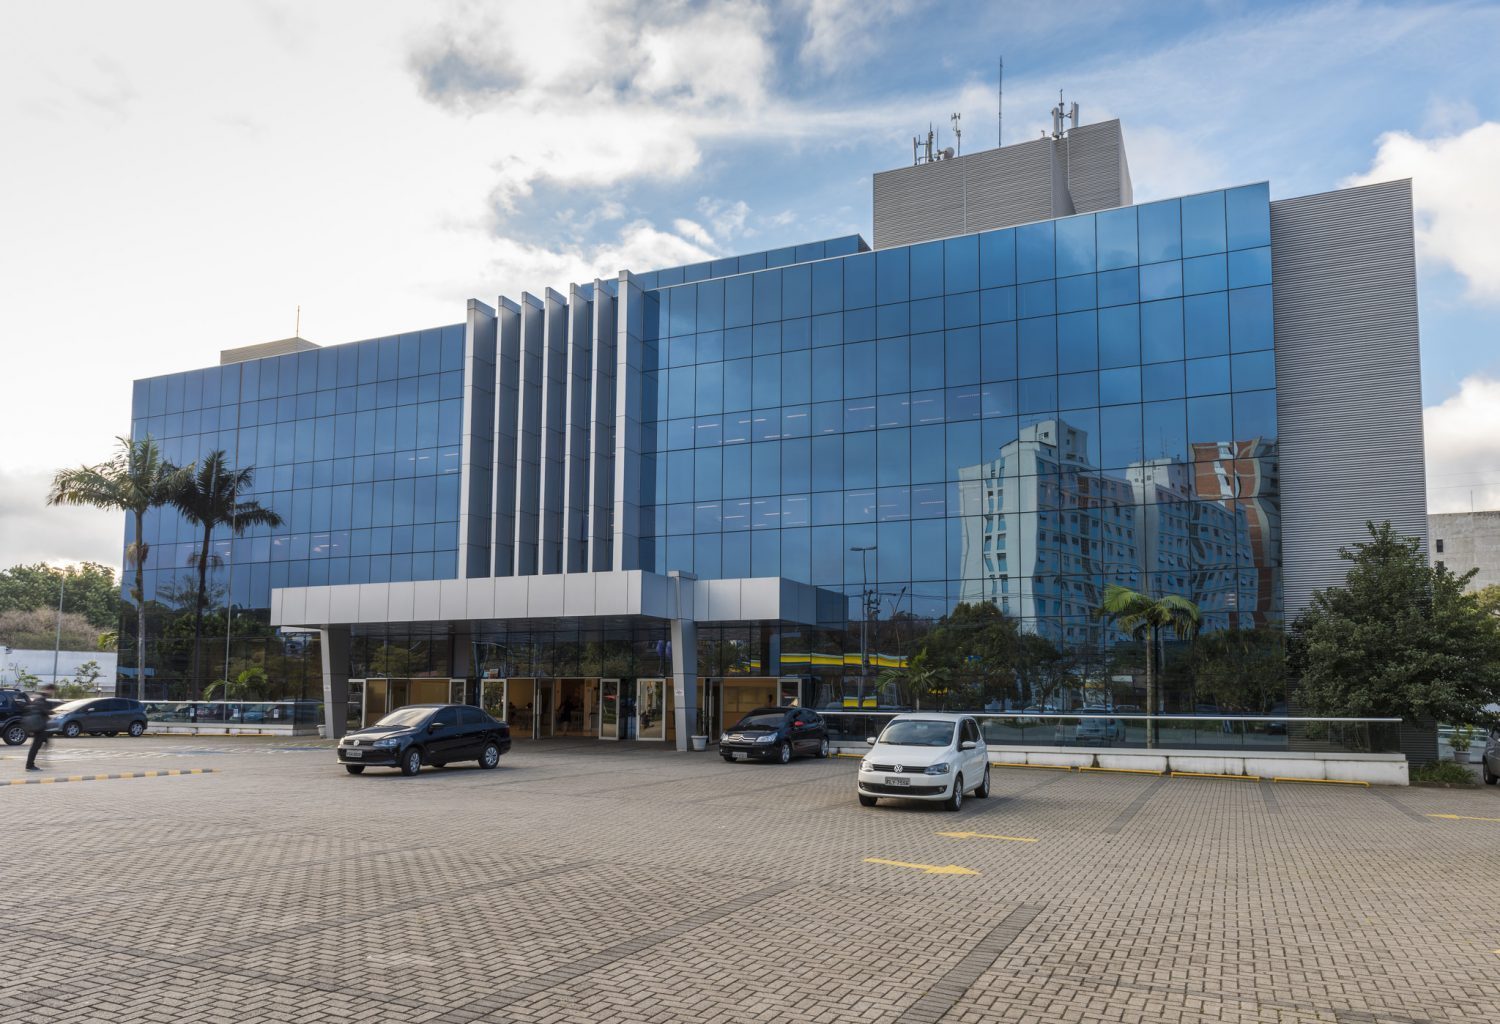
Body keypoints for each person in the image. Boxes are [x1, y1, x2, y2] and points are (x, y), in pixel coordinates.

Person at [23, 686, 57, 772]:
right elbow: (43, 710)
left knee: (46, 742)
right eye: (52, 691)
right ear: (49, 690)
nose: (53, 693)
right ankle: (30, 765)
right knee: (35, 746)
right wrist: (52, 712)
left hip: (39, 725)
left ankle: (42, 759)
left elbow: (39, 711)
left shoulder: (38, 698)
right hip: (39, 726)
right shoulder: (41, 699)